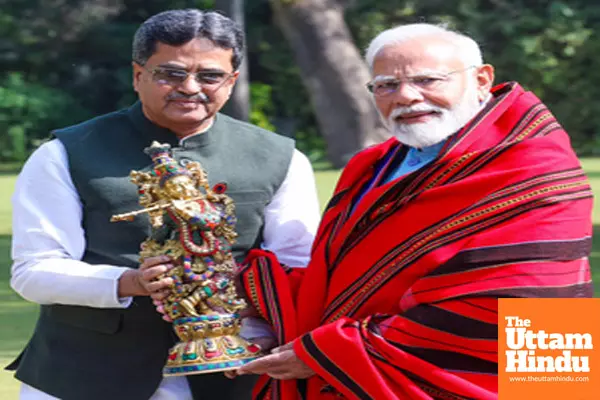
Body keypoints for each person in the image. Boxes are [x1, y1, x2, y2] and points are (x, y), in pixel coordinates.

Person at [230, 23, 594, 399]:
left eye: (428, 80)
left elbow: (523, 304)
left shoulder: (533, 167)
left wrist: (335, 352)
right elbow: (340, 278)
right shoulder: (372, 166)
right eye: (386, 85)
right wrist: (247, 284)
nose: (405, 96)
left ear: (482, 80)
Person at [7, 9, 320, 400]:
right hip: (88, 370)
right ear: (138, 76)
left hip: (235, 369)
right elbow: (34, 270)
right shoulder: (65, 153)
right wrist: (131, 282)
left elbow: (299, 267)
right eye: (170, 73)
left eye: (209, 76)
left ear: (231, 81)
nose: (190, 87)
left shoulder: (281, 157)